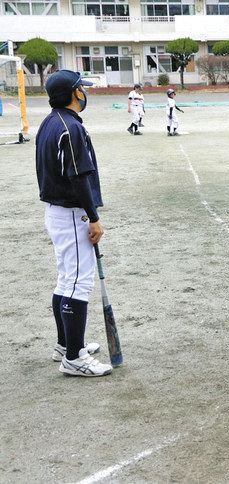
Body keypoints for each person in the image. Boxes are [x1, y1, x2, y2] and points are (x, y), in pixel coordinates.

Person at [36, 70, 112, 377]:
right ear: (72, 93)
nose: (85, 92)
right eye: (81, 88)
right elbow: (78, 177)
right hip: (71, 213)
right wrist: (93, 217)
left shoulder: (50, 122)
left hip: (58, 212)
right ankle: (74, 357)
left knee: (67, 280)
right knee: (78, 282)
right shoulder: (70, 128)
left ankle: (65, 344)